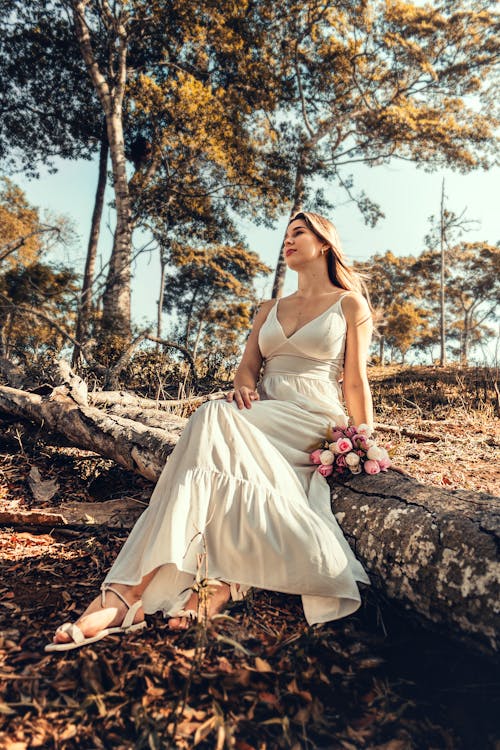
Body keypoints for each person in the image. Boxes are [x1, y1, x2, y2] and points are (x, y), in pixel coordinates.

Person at [46, 210, 373, 651]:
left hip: (312, 419)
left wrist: (363, 435)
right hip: (264, 410)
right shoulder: (268, 308)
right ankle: (194, 587)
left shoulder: (350, 304)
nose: (288, 241)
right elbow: (248, 369)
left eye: (299, 233)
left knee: (210, 420)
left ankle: (131, 594)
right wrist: (241, 386)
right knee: (214, 423)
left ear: (325, 244)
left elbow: (354, 380)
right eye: (285, 235)